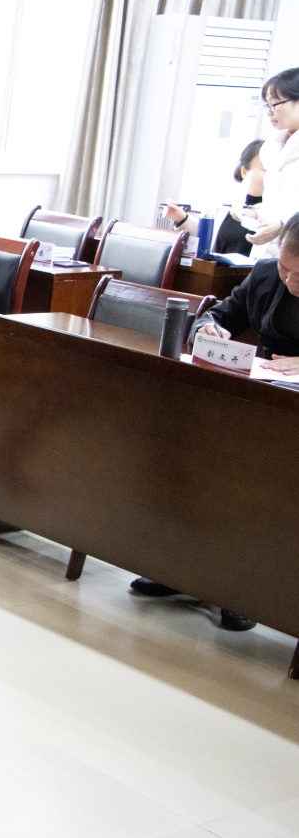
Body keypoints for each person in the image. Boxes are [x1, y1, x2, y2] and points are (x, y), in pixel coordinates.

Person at [130, 212, 299, 631]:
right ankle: (183, 571)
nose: (290, 280)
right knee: (194, 456)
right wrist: (210, 330)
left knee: (255, 482)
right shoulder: (265, 275)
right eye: (286, 268)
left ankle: (242, 590)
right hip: (260, 400)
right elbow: (218, 314)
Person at [163, 139, 264, 257]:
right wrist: (182, 218)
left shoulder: (276, 213)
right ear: (244, 172)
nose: (272, 175)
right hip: (219, 268)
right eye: (265, 168)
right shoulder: (227, 206)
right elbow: (206, 238)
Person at [245, 67, 299, 259]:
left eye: (275, 104)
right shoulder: (273, 147)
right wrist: (255, 212)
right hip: (268, 253)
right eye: (267, 105)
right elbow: (279, 200)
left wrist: (283, 223)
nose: (269, 112)